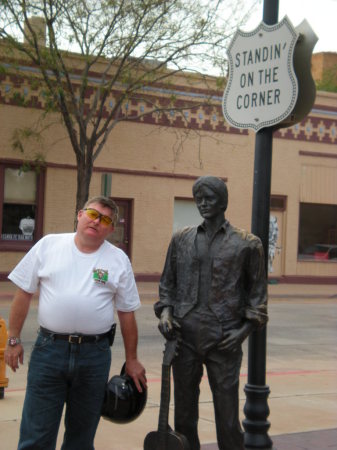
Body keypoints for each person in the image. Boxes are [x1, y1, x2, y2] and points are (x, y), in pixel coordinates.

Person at [5, 195, 147, 450]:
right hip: (49, 351)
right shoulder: (48, 246)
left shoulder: (118, 260)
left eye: (105, 219)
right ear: (80, 214)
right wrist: (13, 339)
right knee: (36, 434)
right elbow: (23, 293)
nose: (97, 222)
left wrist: (133, 359)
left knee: (81, 437)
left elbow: (127, 313)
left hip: (94, 356)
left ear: (111, 229)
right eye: (93, 214)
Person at [154, 176, 268, 450]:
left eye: (209, 198)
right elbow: (167, 284)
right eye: (198, 199)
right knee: (183, 415)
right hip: (184, 338)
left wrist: (241, 333)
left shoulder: (247, 244)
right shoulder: (181, 238)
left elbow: (258, 300)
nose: (203, 203)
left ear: (223, 202)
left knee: (227, 418)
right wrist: (166, 313)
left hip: (224, 339)